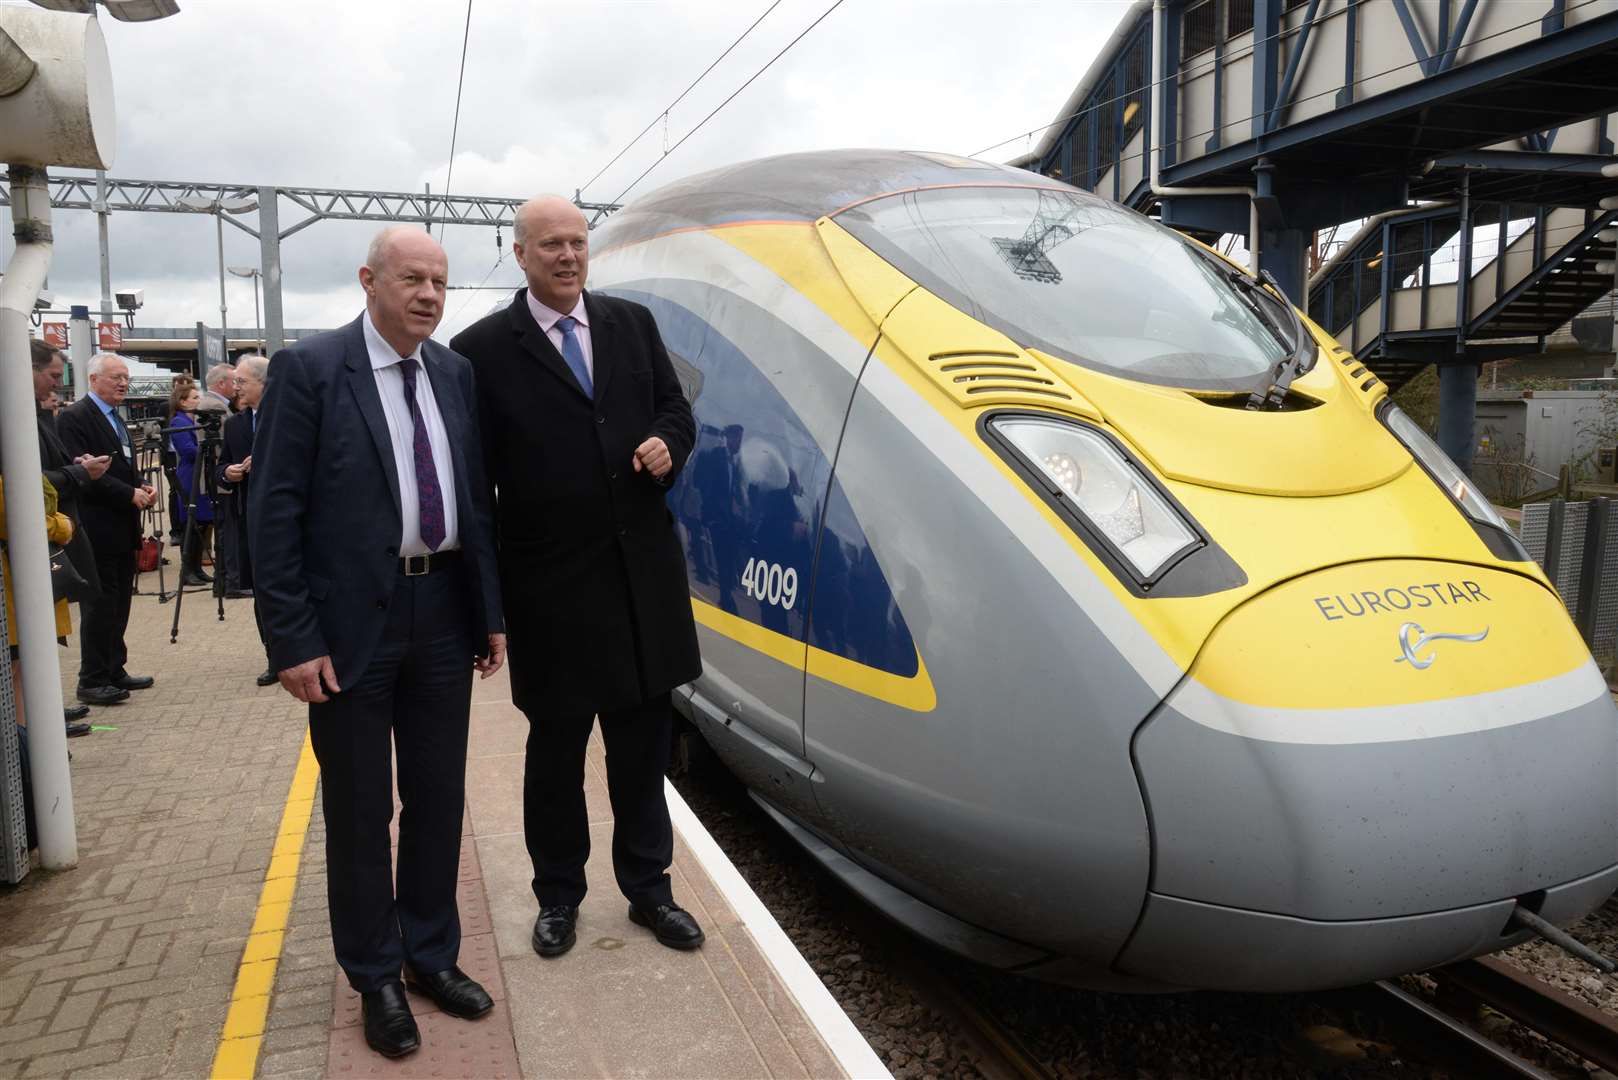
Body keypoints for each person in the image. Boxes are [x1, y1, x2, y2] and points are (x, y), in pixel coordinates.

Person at [250, 226, 506, 1060]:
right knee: (361, 810)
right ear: (369, 280)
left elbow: (474, 501)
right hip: (349, 626)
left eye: (440, 281)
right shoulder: (313, 369)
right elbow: (274, 512)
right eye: (412, 279)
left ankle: (431, 955)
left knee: (438, 799)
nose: (429, 294)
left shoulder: (455, 375)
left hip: (441, 615)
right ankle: (375, 976)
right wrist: (292, 637)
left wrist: (488, 612)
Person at [449, 195, 704, 959]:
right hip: (548, 596)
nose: (568, 255)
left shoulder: (632, 324)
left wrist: (667, 442)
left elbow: (676, 412)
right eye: (551, 244)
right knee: (555, 756)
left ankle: (650, 891)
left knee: (641, 752)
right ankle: (558, 895)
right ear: (521, 254)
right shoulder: (482, 349)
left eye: (577, 242)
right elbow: (476, 491)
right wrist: (487, 607)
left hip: (640, 588)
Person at [56, 353, 156, 707]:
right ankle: (92, 677)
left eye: (126, 377)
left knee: (119, 602)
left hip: (122, 525)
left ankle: (115, 667)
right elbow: (82, 473)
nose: (123, 383)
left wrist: (141, 484)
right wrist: (128, 493)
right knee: (99, 605)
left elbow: (123, 465)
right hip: (95, 526)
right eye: (115, 377)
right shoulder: (75, 417)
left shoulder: (117, 418)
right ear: (94, 379)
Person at [31, 340, 108, 731]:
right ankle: (41, 720)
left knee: (50, 627)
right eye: (52, 377)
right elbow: (31, 481)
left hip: (60, 530)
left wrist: (75, 466)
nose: (56, 387)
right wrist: (81, 473)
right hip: (44, 536)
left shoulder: (35, 416)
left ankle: (45, 708)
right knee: (32, 635)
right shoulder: (19, 419)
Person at [217, 354, 274, 684]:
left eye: (241, 381)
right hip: (247, 516)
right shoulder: (235, 424)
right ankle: (272, 655)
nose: (235, 387)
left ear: (262, 384)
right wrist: (228, 472)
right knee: (260, 590)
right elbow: (220, 467)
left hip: (284, 519)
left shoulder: (284, 417)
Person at [167, 382, 216, 587]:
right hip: (189, 476)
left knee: (201, 523)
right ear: (182, 401)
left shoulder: (193, 420)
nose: (199, 401)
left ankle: (197, 568)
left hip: (199, 474)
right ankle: (187, 571)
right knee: (190, 522)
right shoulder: (179, 422)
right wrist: (208, 449)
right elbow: (187, 449)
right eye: (195, 398)